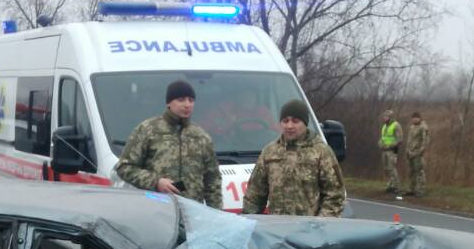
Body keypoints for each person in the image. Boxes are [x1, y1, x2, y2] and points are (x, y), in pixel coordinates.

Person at [113, 79, 221, 208]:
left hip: (191, 213)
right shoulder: (148, 130)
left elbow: (212, 180)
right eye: (181, 100)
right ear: (169, 103)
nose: (187, 104)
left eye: (191, 100)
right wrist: (156, 181)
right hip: (156, 211)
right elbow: (124, 167)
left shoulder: (201, 137)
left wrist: (216, 214)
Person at [241, 99, 346, 218]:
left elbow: (335, 195)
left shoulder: (321, 152)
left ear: (305, 123)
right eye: (285, 121)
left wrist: (319, 225)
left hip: (309, 230)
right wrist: (249, 223)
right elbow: (255, 194)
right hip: (276, 229)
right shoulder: (270, 152)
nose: (289, 126)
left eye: (295, 121)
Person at [405, 110, 431, 197]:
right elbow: (409, 140)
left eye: (416, 118)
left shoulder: (423, 127)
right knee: (412, 172)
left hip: (418, 152)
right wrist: (407, 150)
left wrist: (420, 151)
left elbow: (425, 141)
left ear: (419, 118)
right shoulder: (412, 127)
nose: (414, 120)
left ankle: (421, 190)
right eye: (413, 119)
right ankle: (412, 189)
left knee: (419, 171)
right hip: (410, 152)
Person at [379, 108, 403, 194]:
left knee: (392, 168)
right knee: (386, 169)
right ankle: (390, 184)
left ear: (390, 117)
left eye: (386, 116)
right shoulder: (384, 126)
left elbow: (399, 139)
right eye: (384, 116)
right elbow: (383, 137)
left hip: (392, 151)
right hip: (384, 150)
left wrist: (390, 145)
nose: (384, 118)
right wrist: (380, 143)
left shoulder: (396, 125)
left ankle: (397, 186)